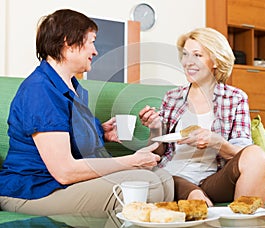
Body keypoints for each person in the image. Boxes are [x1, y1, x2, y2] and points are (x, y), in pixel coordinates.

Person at [0, 9, 173, 217]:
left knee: (164, 179)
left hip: (58, 185)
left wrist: (101, 133)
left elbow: (66, 138)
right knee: (149, 185)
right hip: (34, 191)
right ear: (68, 42)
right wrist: (131, 160)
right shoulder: (40, 90)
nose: (95, 51)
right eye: (91, 42)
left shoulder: (73, 87)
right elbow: (64, 171)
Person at [139, 27, 265, 207]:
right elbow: (157, 153)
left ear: (215, 61)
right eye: (185, 55)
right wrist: (155, 128)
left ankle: (243, 220)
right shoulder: (172, 97)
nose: (188, 62)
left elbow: (241, 154)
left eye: (197, 55)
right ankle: (194, 196)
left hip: (214, 179)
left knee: (257, 155)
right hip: (174, 178)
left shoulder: (235, 98)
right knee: (182, 187)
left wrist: (216, 142)